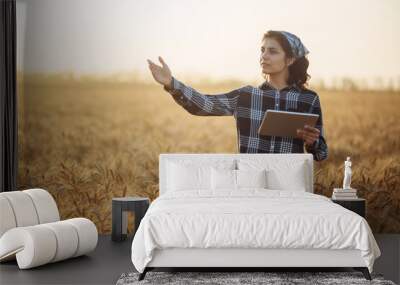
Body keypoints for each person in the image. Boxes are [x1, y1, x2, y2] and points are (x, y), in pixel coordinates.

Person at [147, 30, 328, 161]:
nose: (264, 56)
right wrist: (171, 83)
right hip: (250, 184)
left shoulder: (309, 99)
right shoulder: (246, 96)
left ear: (290, 59)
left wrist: (312, 143)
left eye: (272, 51)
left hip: (291, 186)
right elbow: (204, 104)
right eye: (262, 50)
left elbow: (321, 153)